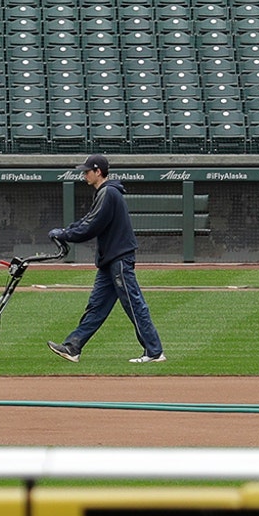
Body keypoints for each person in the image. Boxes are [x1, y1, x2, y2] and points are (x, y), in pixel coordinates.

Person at [45, 154, 165, 364]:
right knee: (97, 306)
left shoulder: (108, 192)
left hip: (118, 258)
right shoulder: (104, 193)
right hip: (110, 260)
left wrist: (65, 234)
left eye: (87, 171)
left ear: (98, 171)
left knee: (134, 304)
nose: (84, 175)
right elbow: (88, 219)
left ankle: (154, 352)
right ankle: (73, 347)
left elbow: (92, 226)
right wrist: (67, 230)